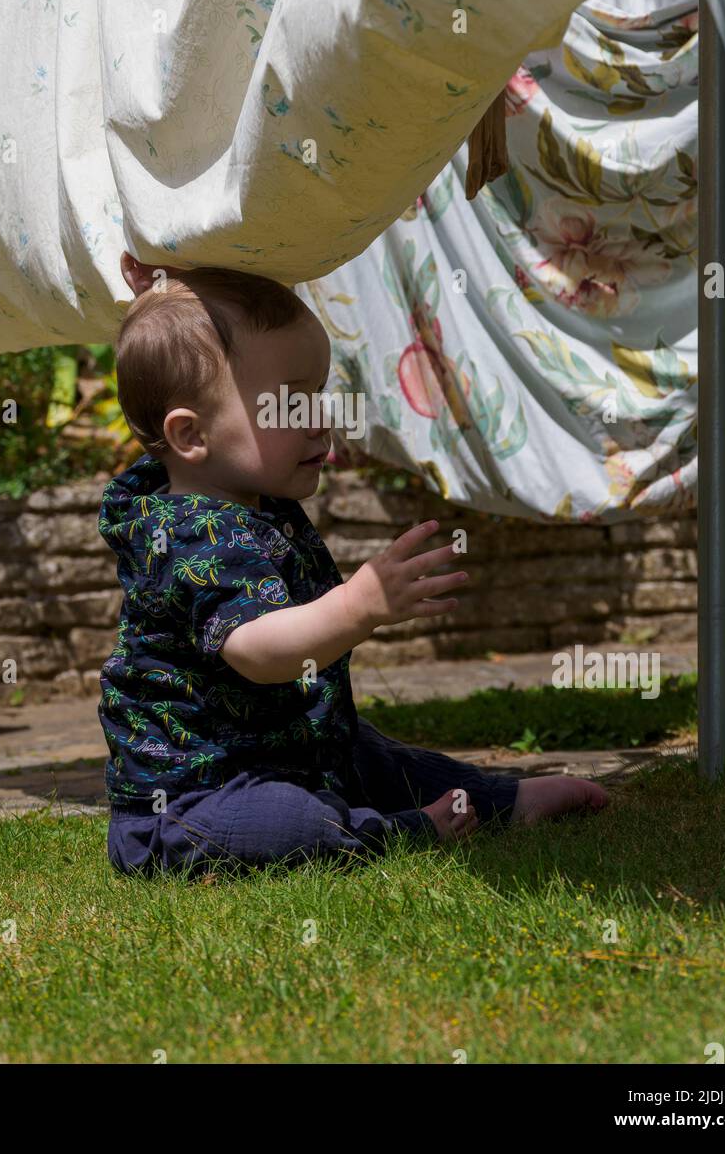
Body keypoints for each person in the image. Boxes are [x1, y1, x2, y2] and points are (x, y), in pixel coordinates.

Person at [98, 255, 608, 878]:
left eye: (317, 395)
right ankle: (402, 833)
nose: (319, 418)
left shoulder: (248, 499)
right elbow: (257, 650)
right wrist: (358, 606)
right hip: (193, 802)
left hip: (293, 750)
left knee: (379, 758)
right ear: (189, 436)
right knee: (291, 820)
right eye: (290, 404)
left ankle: (502, 800)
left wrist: (163, 292)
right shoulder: (189, 536)